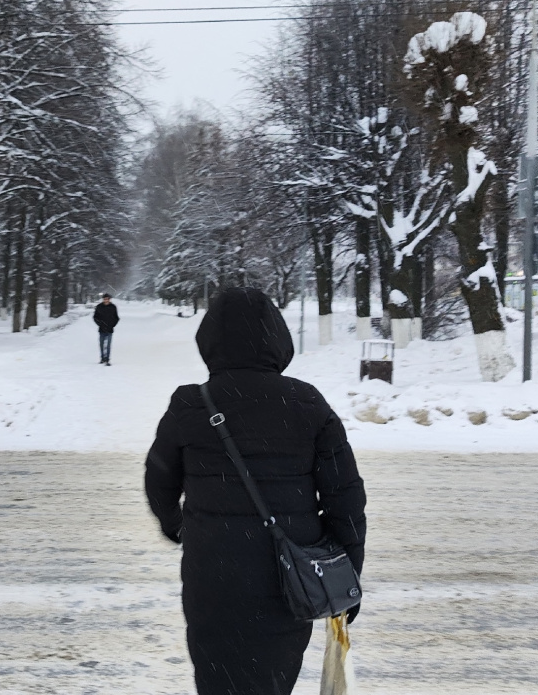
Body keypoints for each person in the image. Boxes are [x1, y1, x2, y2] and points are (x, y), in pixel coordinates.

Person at [144, 287, 366, 695]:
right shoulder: (307, 402)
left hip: (212, 574)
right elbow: (345, 498)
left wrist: (177, 526)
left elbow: (158, 478)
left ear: (209, 341)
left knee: (217, 678)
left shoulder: (191, 404)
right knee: (272, 680)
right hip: (288, 578)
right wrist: (349, 573)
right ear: (277, 338)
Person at [93, 293, 119, 365]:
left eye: (107, 299)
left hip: (110, 329)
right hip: (101, 329)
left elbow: (116, 318)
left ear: (109, 299)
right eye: (105, 299)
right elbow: (95, 317)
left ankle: (107, 359)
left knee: (108, 345)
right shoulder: (99, 307)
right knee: (101, 344)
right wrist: (100, 323)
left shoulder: (113, 307)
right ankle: (102, 358)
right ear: (103, 299)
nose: (106, 300)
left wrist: (112, 325)